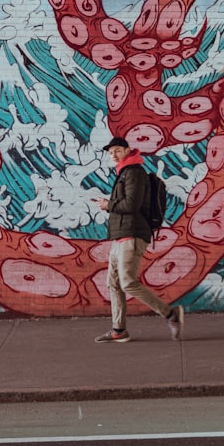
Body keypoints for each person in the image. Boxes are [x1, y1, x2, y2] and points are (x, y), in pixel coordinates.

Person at [93, 136, 184, 343]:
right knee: (113, 283)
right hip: (121, 236)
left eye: (117, 150)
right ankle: (119, 330)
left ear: (127, 150)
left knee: (128, 283)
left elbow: (132, 205)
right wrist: (110, 205)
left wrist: (109, 205)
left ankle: (171, 314)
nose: (113, 155)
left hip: (132, 235)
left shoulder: (134, 172)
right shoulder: (125, 172)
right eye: (110, 152)